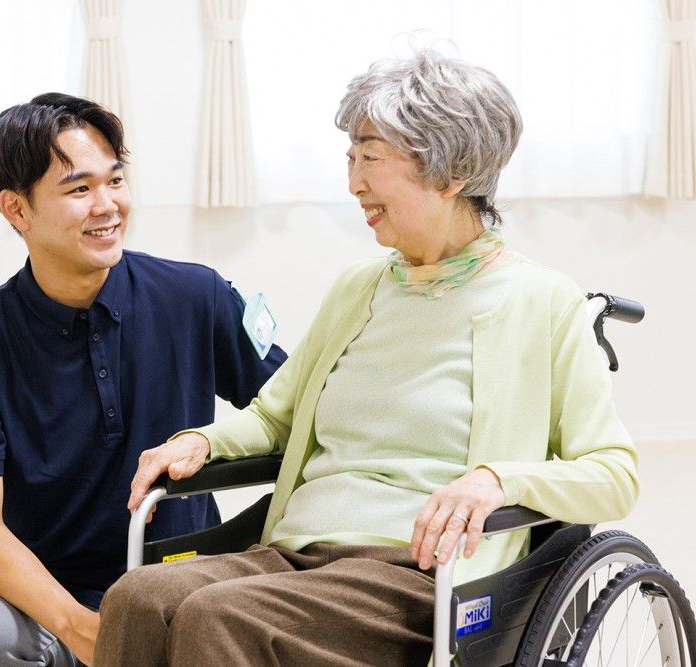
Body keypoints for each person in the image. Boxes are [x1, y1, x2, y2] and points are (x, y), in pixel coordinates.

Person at [93, 49, 639, 666]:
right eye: (351, 157)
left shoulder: (543, 303)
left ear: (451, 171)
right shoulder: (359, 289)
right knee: (140, 595)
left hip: (412, 576)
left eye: (371, 158)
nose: (354, 181)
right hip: (295, 555)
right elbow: (275, 416)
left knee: (217, 616)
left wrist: (498, 479)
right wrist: (203, 442)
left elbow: (613, 474)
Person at [0, 93, 286, 666]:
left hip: (184, 577)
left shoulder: (197, 296)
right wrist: (81, 630)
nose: (107, 206)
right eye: (78, 189)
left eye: (114, 181)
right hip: (55, 594)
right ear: (16, 210)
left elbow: (294, 410)